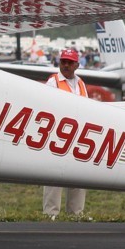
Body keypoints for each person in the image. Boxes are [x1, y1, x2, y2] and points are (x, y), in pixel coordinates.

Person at [42, 47, 90, 219]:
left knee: (78, 177)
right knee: (54, 177)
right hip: (58, 135)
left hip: (78, 137)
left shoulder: (81, 84)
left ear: (77, 64)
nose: (66, 65)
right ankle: (50, 214)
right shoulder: (53, 81)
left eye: (70, 62)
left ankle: (76, 215)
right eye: (63, 62)